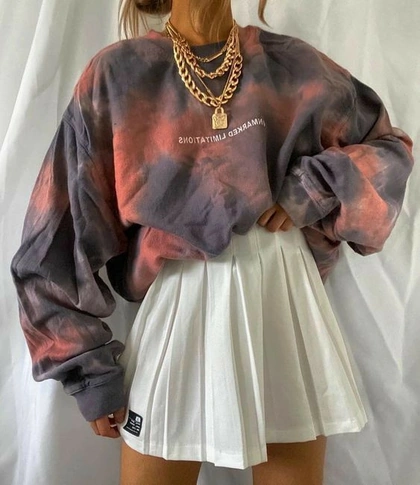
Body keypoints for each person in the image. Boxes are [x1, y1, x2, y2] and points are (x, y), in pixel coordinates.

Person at [9, 0, 415, 484]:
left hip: (284, 305)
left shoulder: (294, 66)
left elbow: (390, 151)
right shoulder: (118, 76)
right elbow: (55, 235)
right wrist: (86, 371)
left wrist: (313, 188)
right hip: (177, 309)